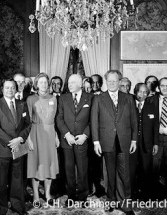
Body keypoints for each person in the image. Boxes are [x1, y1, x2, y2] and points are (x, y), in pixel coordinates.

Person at [91, 70, 137, 215]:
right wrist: (96, 142)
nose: (112, 83)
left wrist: (134, 139)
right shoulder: (99, 98)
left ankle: (126, 203)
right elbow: (94, 121)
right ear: (106, 81)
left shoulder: (128, 98)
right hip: (107, 141)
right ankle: (111, 201)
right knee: (110, 174)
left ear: (119, 82)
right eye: (109, 81)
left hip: (124, 141)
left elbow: (134, 121)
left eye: (114, 81)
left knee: (125, 175)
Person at [0, 78, 31, 215]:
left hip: (18, 147)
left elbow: (28, 124)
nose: (10, 90)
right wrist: (11, 142)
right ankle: (0, 209)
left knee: (17, 180)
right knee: (0, 182)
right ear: (2, 89)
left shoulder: (22, 104)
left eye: (12, 87)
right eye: (7, 87)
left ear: (16, 88)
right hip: (1, 148)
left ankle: (18, 206)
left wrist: (20, 139)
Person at [56, 74, 93, 206]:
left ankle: (83, 197)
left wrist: (85, 135)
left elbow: (92, 120)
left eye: (72, 82)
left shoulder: (90, 98)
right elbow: (59, 119)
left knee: (83, 169)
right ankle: (70, 196)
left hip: (82, 139)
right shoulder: (63, 98)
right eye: (69, 82)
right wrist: (67, 135)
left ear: (80, 84)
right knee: (69, 169)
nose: (69, 85)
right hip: (67, 140)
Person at [27, 73, 59, 205]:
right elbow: (27, 121)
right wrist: (28, 138)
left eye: (46, 82)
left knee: (49, 164)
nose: (44, 85)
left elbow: (55, 119)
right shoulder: (30, 99)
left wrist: (56, 135)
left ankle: (47, 193)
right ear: (36, 84)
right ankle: (35, 195)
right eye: (41, 82)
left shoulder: (54, 98)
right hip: (36, 133)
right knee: (36, 165)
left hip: (50, 133)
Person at [130, 83, 159, 200]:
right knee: (131, 171)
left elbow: (156, 126)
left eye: (145, 92)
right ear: (135, 92)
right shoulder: (130, 105)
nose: (142, 94)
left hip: (147, 144)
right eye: (140, 92)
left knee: (146, 170)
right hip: (132, 144)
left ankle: (145, 195)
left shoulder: (151, 106)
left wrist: (156, 143)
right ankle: (131, 194)